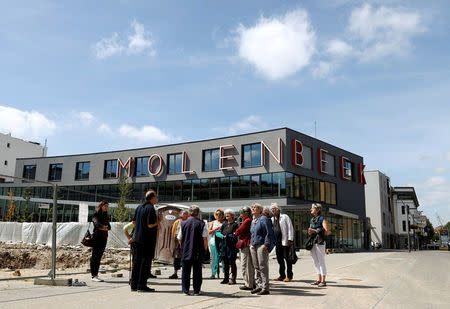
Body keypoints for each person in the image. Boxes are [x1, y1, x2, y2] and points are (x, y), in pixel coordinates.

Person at [130, 190, 159, 292]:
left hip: (138, 238)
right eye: (156, 197)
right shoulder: (150, 208)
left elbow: (133, 222)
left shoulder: (139, 207)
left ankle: (133, 284)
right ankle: (141, 285)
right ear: (152, 198)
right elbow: (150, 225)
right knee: (145, 263)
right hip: (147, 240)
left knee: (137, 262)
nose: (156, 198)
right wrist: (158, 222)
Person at [178, 205, 208, 296]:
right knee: (197, 272)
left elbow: (179, 238)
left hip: (186, 250)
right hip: (198, 251)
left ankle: (185, 290)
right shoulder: (202, 224)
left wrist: (182, 247)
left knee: (185, 271)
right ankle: (196, 290)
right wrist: (205, 249)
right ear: (198, 213)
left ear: (189, 212)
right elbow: (205, 239)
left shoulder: (183, 223)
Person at [249, 203, 276, 295]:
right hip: (253, 245)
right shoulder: (253, 220)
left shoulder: (263, 219)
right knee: (256, 266)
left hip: (261, 245)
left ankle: (265, 288)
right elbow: (252, 233)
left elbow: (269, 232)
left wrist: (266, 244)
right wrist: (251, 245)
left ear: (259, 210)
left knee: (262, 266)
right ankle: (259, 286)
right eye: (252, 207)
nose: (253, 208)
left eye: (255, 207)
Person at [271, 203, 295, 282]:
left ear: (278, 209)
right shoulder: (272, 219)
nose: (273, 210)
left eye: (274, 208)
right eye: (272, 209)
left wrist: (290, 239)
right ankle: (282, 275)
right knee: (279, 259)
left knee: (288, 259)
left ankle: (289, 276)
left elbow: (290, 227)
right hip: (277, 242)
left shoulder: (284, 217)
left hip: (285, 241)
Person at [308, 203, 329, 287]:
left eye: (312, 208)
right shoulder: (312, 219)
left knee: (321, 261)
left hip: (320, 242)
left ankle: (323, 281)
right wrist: (310, 231)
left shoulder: (322, 219)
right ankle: (318, 279)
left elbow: (326, 231)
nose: (310, 209)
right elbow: (311, 230)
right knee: (315, 261)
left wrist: (314, 231)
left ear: (317, 210)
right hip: (313, 241)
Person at [216, 209, 239, 285]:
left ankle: (233, 278)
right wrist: (222, 236)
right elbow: (218, 232)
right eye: (226, 214)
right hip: (224, 246)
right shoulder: (224, 224)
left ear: (232, 215)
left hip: (231, 246)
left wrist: (227, 236)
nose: (226, 215)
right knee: (225, 262)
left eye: (228, 214)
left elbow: (235, 235)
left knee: (232, 262)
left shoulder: (235, 224)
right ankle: (226, 278)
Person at [234, 206, 254, 291]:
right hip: (246, 244)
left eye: (242, 213)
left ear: (246, 213)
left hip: (246, 244)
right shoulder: (247, 220)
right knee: (247, 265)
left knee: (246, 265)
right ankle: (250, 282)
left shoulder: (247, 221)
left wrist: (235, 232)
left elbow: (238, 231)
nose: (240, 215)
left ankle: (249, 284)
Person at [91, 201, 111, 282]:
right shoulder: (96, 214)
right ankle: (93, 275)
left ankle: (96, 274)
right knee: (95, 256)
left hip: (104, 238)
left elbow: (109, 226)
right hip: (97, 237)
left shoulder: (105, 215)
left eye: (107, 206)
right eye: (105, 206)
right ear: (101, 206)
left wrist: (106, 227)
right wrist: (103, 227)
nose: (106, 207)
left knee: (99, 256)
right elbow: (97, 224)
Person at [169, 209, 189, 279]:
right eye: (184, 214)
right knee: (177, 257)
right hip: (177, 241)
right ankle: (175, 273)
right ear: (181, 215)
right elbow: (173, 231)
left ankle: (185, 273)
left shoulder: (188, 221)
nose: (186, 215)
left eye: (187, 214)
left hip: (186, 241)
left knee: (186, 257)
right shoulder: (177, 222)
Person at [208, 208, 224, 279]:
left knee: (223, 258)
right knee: (214, 258)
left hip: (222, 241)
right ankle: (213, 273)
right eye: (217, 214)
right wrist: (215, 230)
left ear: (222, 215)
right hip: (213, 241)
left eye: (220, 214)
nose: (218, 215)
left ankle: (225, 273)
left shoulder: (224, 222)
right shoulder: (213, 222)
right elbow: (209, 231)